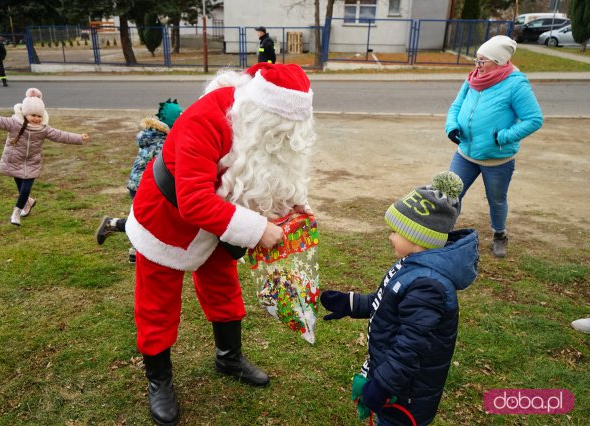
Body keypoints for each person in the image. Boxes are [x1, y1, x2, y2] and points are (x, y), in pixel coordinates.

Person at [125, 63, 315, 425]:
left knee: (223, 288)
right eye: (280, 131)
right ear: (263, 113)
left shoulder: (260, 121)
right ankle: (159, 381)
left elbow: (269, 168)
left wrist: (292, 206)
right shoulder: (204, 119)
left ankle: (229, 357)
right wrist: (258, 230)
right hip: (166, 219)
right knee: (157, 304)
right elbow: (194, 200)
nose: (284, 138)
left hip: (220, 222)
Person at [320, 171, 479, 426]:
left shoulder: (427, 285)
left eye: (395, 231)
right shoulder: (416, 266)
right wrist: (352, 303)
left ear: (417, 237)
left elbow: (410, 346)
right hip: (398, 383)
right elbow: (392, 304)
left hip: (406, 394)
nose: (389, 236)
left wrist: (382, 386)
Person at [445, 35, 543, 258]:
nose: (477, 66)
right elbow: (456, 106)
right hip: (465, 153)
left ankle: (499, 235)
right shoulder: (472, 79)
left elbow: (534, 119)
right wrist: (451, 126)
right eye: (476, 60)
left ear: (498, 62)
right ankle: (443, 232)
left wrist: (503, 137)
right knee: (450, 194)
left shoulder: (515, 85)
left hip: (497, 159)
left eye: (482, 61)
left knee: (496, 200)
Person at [0, 88, 89, 226]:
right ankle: (28, 202)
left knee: (25, 188)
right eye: (33, 115)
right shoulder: (14, 123)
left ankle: (16, 212)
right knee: (21, 187)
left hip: (32, 162)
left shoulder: (43, 129)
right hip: (14, 160)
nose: (36, 118)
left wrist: (79, 138)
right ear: (25, 113)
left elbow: (61, 135)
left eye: (39, 116)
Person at [95, 99, 183, 263]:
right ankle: (112, 224)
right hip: (146, 186)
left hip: (142, 184)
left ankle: (135, 252)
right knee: (146, 221)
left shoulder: (154, 136)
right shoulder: (161, 143)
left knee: (146, 220)